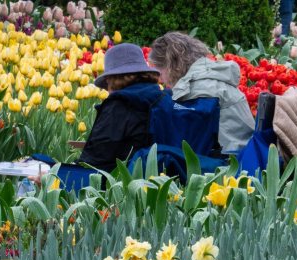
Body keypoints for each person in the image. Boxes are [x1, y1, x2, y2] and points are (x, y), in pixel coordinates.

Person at [148, 32, 254, 155]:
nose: (160, 80)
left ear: (171, 65)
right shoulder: (214, 78)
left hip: (222, 165)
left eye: (159, 72)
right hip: (242, 156)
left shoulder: (197, 90)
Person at [76, 43, 164, 172]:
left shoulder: (117, 107)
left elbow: (93, 161)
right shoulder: (162, 99)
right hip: (159, 181)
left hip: (120, 185)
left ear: (110, 79)